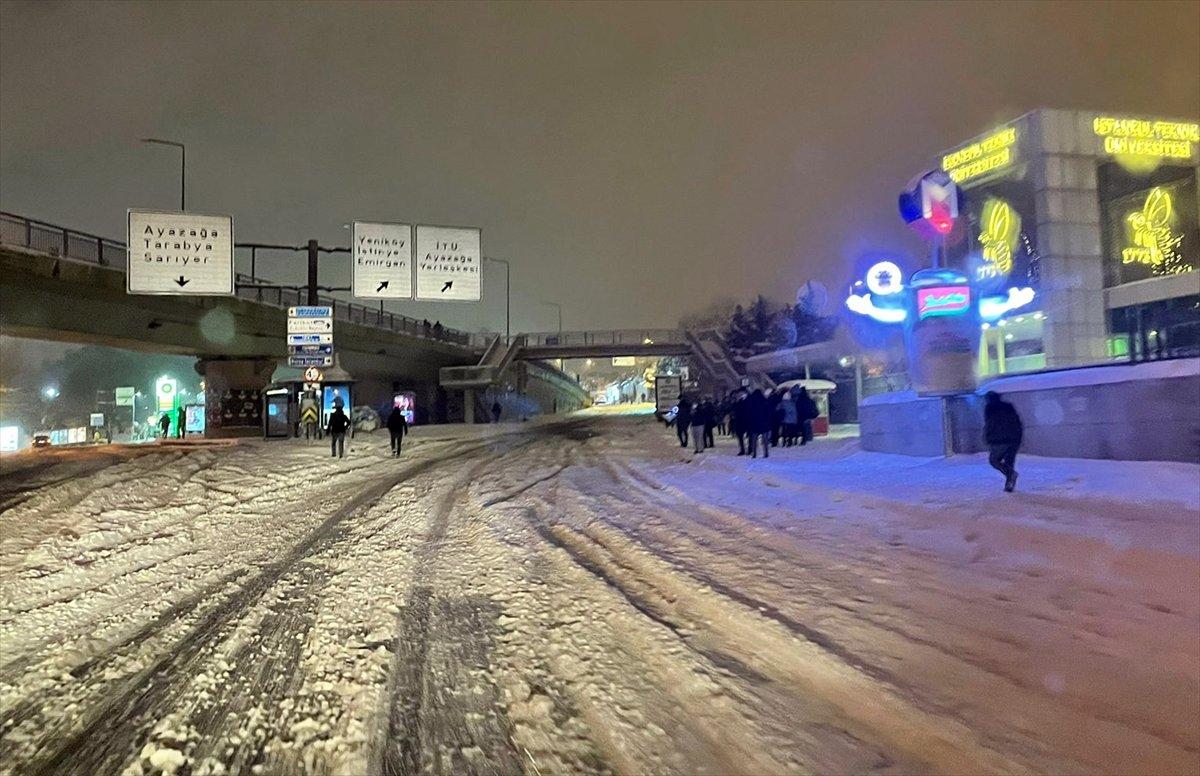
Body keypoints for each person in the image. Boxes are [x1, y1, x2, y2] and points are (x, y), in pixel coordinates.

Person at [984, 391, 1023, 492]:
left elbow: (990, 424)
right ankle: (1009, 484)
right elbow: (1017, 422)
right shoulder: (1008, 407)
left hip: (999, 440)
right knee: (1009, 461)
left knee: (994, 460)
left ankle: (1011, 475)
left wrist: (987, 437)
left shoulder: (990, 408)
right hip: (1014, 438)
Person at [747, 389, 771, 459]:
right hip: (764, 423)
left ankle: (754, 453)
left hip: (754, 423)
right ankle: (766, 453)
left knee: (754, 440)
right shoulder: (765, 401)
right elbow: (768, 412)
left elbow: (749, 413)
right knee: (765, 440)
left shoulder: (751, 402)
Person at [729, 391, 748, 455]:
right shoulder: (744, 403)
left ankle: (743, 449)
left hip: (739, 422)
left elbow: (735, 412)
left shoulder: (738, 404)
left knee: (740, 437)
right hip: (743, 421)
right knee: (743, 437)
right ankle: (746, 449)